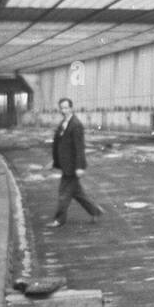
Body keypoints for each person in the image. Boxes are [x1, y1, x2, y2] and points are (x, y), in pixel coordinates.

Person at [48, 97, 102, 227]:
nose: (64, 110)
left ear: (71, 108)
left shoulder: (76, 125)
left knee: (64, 194)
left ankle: (59, 220)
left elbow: (79, 147)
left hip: (72, 166)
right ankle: (95, 211)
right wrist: (54, 161)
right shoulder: (63, 123)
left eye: (66, 107)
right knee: (77, 193)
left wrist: (79, 167)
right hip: (66, 164)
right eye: (62, 108)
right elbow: (60, 145)